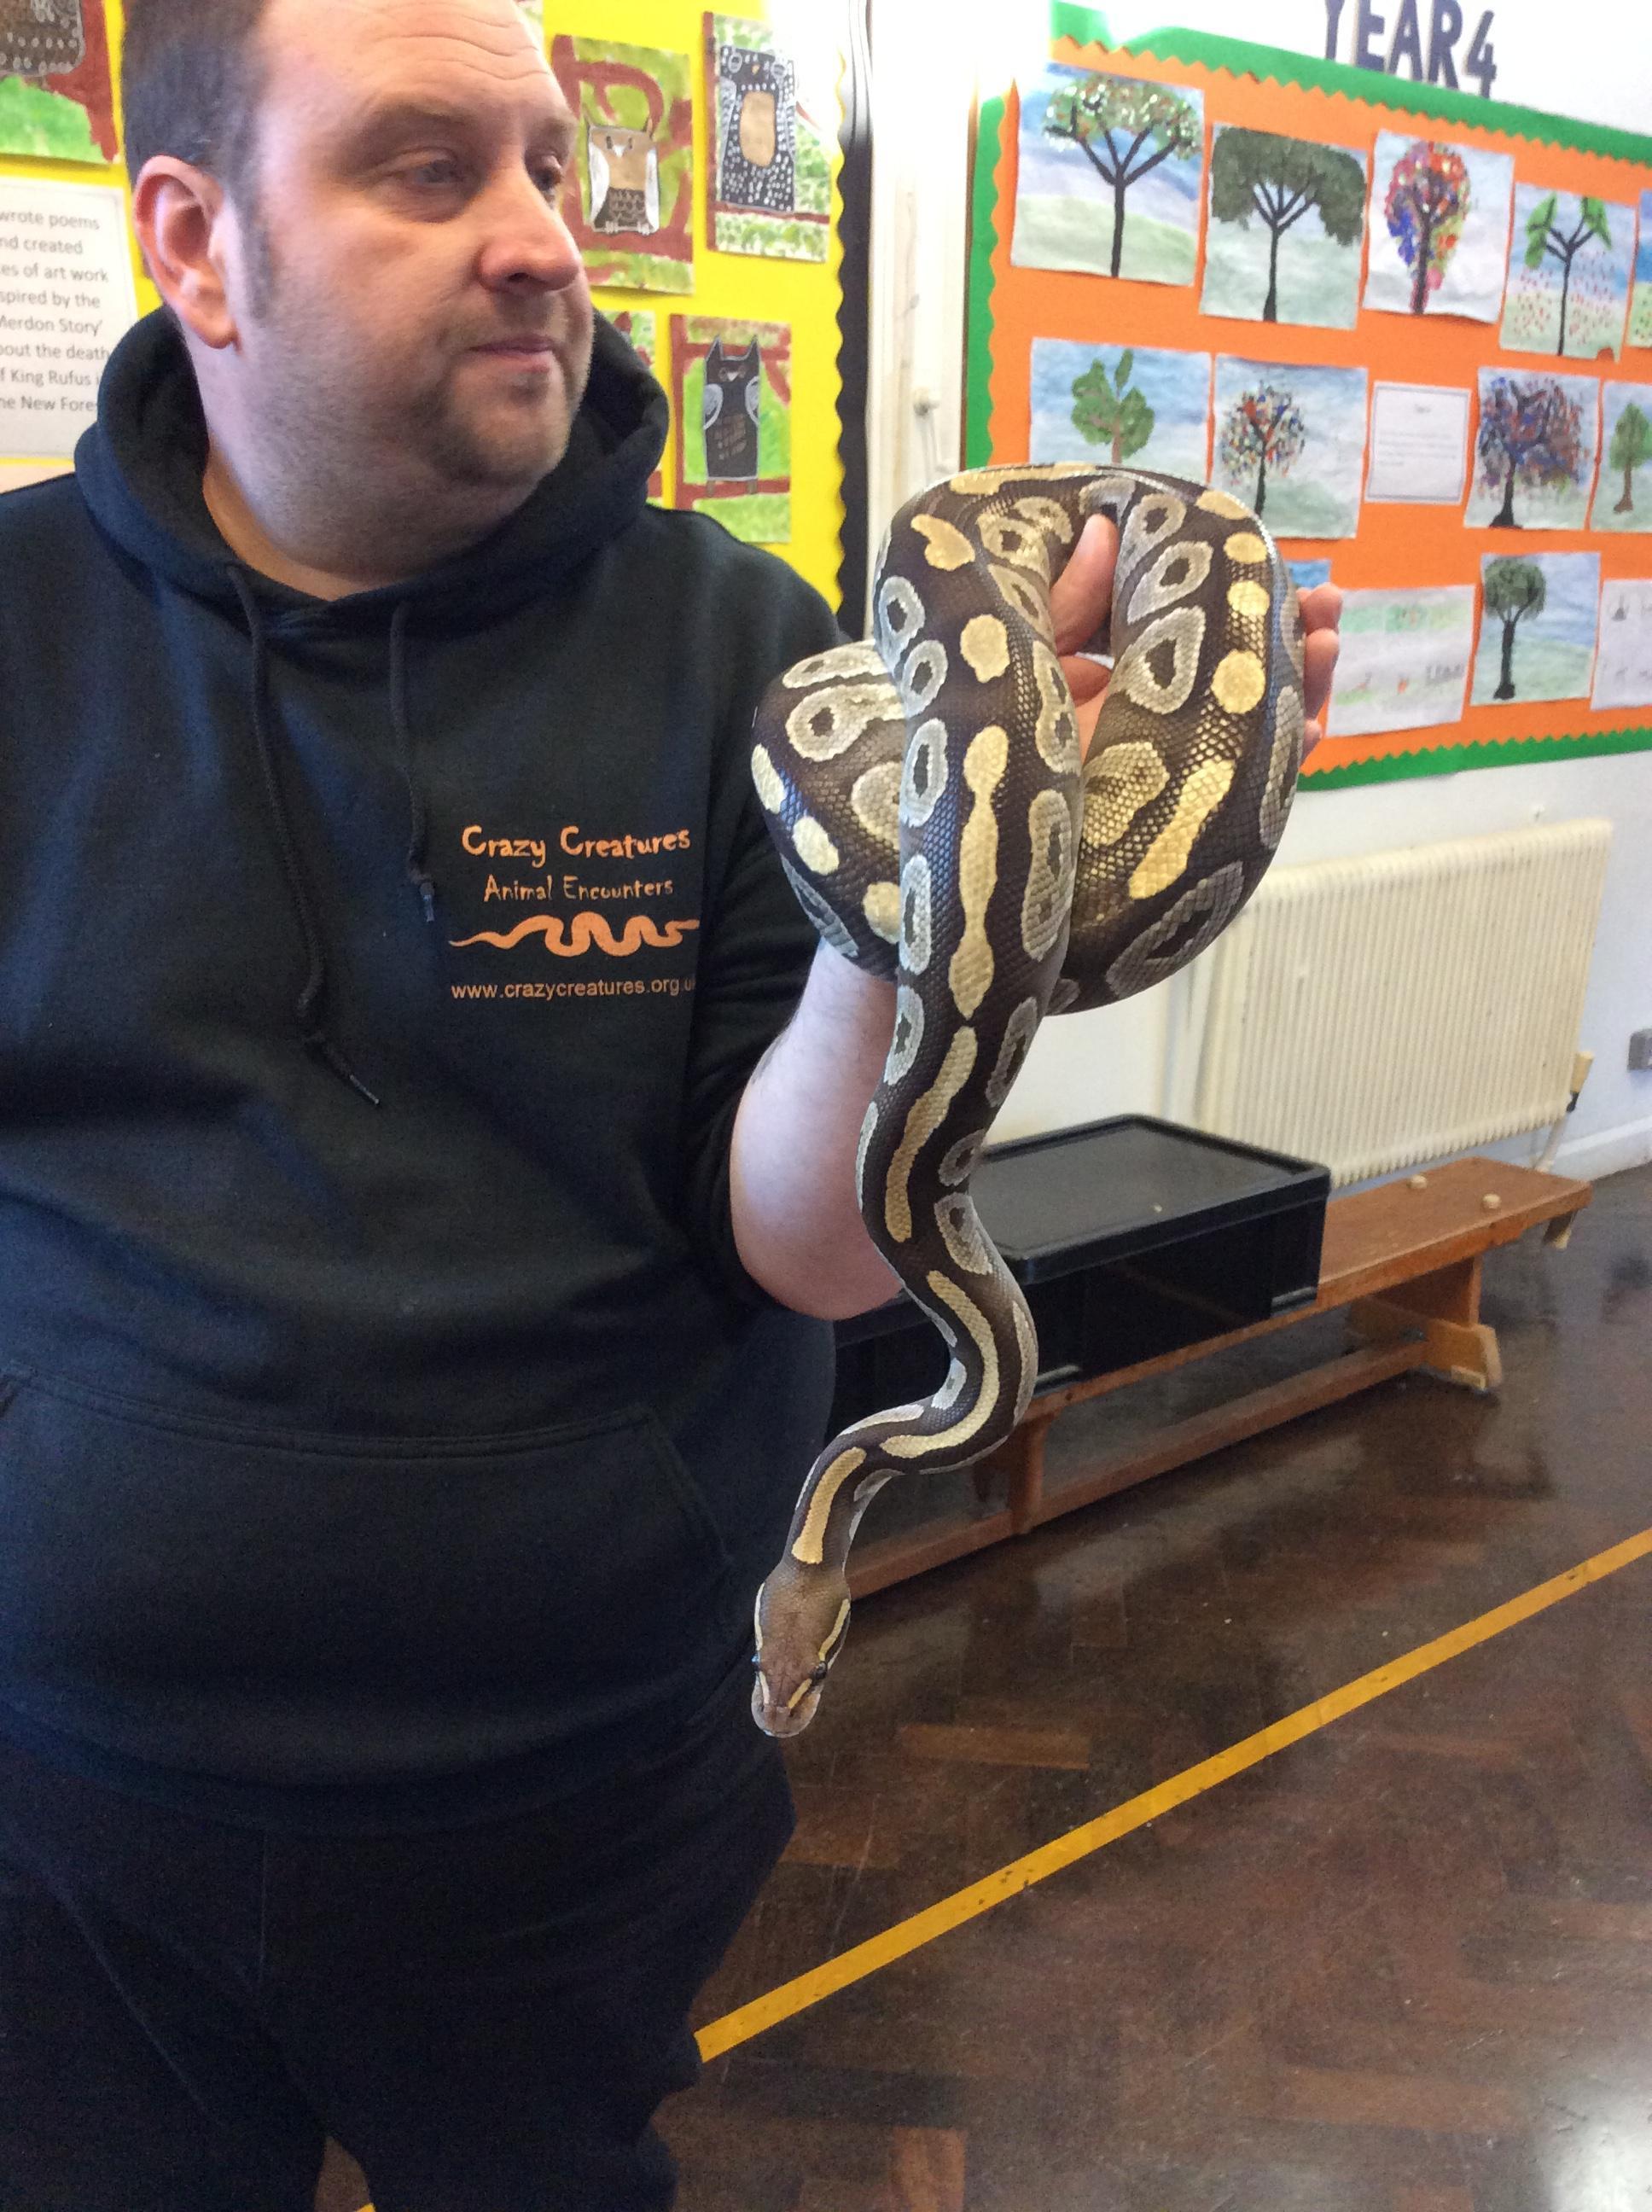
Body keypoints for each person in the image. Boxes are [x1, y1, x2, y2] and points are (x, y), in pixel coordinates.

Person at [0, 3, 1341, 2207]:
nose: (543, 233)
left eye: (554, 161)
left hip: (577, 1800)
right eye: (427, 165)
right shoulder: (17, 625)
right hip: (61, 1808)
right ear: (198, 241)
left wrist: (931, 887)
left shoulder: (763, 657)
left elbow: (810, 1244)